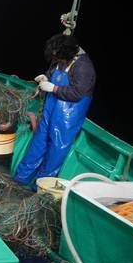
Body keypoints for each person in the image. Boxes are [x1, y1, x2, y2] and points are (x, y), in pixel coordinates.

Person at [13, 33, 96, 186]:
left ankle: (40, 186)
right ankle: (20, 178)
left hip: (68, 114)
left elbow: (78, 93)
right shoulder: (60, 58)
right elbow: (52, 73)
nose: (57, 60)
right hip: (50, 108)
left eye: (59, 57)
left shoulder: (83, 66)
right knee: (38, 143)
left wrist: (54, 88)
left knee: (56, 150)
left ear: (68, 53)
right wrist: (45, 78)